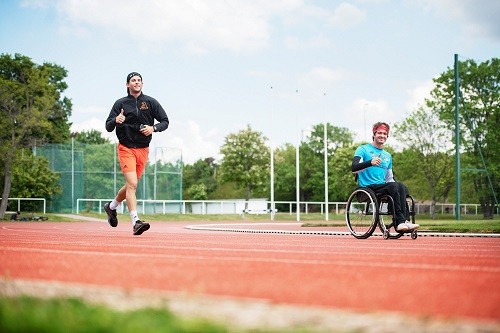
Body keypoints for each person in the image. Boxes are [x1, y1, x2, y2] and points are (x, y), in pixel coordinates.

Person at [104, 72, 169, 235]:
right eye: (133, 80)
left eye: (139, 80)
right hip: (126, 147)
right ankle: (136, 222)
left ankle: (111, 206)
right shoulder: (120, 103)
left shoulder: (150, 102)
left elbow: (165, 121)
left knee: (130, 185)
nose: (137, 82)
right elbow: (108, 126)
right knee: (132, 184)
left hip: (143, 149)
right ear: (127, 85)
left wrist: (153, 128)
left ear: (142, 84)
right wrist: (115, 121)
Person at [351, 122, 419, 232]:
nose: (382, 135)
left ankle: (405, 220)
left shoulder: (387, 156)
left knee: (401, 186)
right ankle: (400, 222)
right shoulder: (363, 149)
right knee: (393, 187)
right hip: (368, 187)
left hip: (382, 186)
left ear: (387, 136)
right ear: (374, 134)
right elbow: (354, 168)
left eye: (385, 133)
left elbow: (389, 178)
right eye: (379, 133)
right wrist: (370, 162)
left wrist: (398, 187)